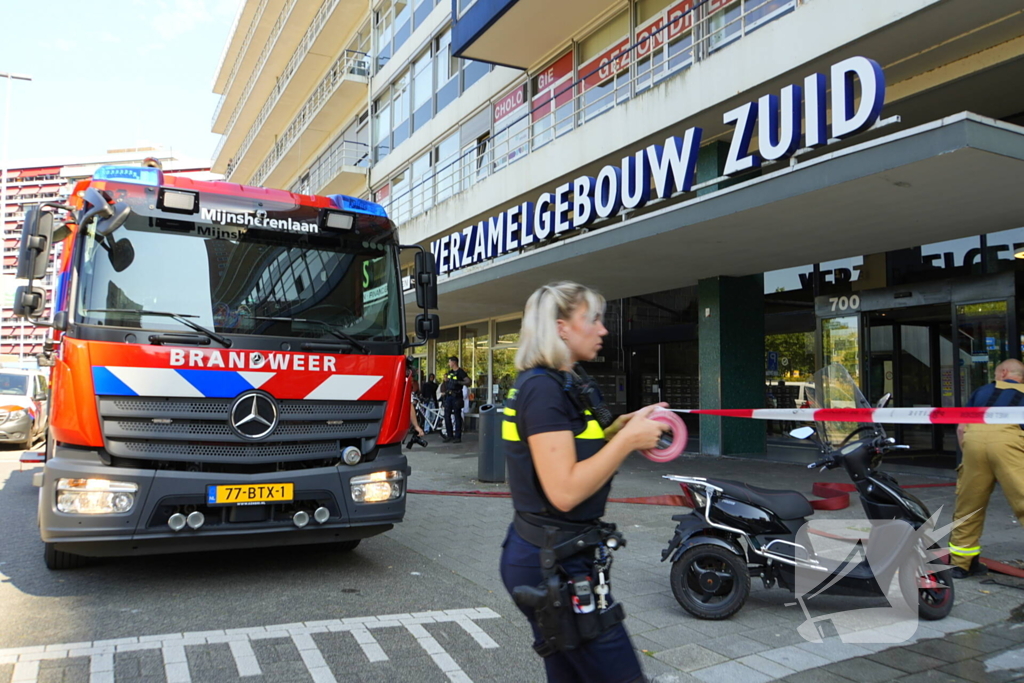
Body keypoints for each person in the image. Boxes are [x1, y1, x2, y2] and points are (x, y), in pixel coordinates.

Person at [499, 281, 668, 682]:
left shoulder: (557, 382)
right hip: (552, 562)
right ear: (561, 327)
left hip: (553, 555)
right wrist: (626, 442)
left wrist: (615, 432)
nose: (603, 329)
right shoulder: (543, 390)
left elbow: (566, 451)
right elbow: (565, 490)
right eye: (592, 319)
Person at [950, 358, 1024, 579]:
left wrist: (970, 455)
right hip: (1009, 443)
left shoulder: (982, 391)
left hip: (974, 442)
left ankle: (961, 564)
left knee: (968, 505)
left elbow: (961, 429)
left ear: (1002, 372)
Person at [441, 356, 470, 444]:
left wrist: (458, 382)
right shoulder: (450, 372)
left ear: (454, 362)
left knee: (457, 416)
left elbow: (468, 382)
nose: (449, 364)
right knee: (447, 415)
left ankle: (458, 436)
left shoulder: (460, 372)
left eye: (450, 362)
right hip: (449, 396)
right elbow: (448, 382)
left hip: (456, 396)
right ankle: (449, 435)